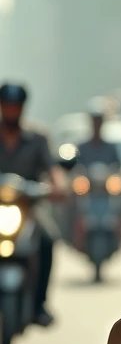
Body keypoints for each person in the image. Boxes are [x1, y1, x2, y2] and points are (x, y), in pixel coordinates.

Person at [0, 82, 64, 326]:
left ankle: (39, 304)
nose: (11, 111)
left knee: (47, 241)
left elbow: (53, 170)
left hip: (29, 210)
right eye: (7, 106)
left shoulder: (37, 138)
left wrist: (59, 186)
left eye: (15, 106)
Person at [75, 105, 121, 169]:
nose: (97, 124)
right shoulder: (83, 148)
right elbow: (77, 166)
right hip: (87, 178)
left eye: (99, 121)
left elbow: (117, 165)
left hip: (107, 178)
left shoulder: (110, 148)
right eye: (95, 121)